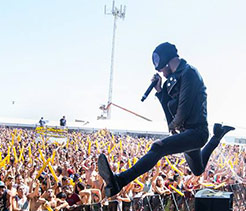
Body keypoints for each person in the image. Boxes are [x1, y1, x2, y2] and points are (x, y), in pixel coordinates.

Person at [98, 42, 235, 197]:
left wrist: (173, 128)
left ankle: (119, 181)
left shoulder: (189, 73)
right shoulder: (174, 78)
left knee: (158, 147)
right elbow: (171, 117)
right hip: (187, 133)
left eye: (161, 68)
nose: (161, 72)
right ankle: (217, 136)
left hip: (196, 132)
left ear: (166, 61)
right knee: (197, 169)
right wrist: (160, 92)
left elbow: (182, 112)